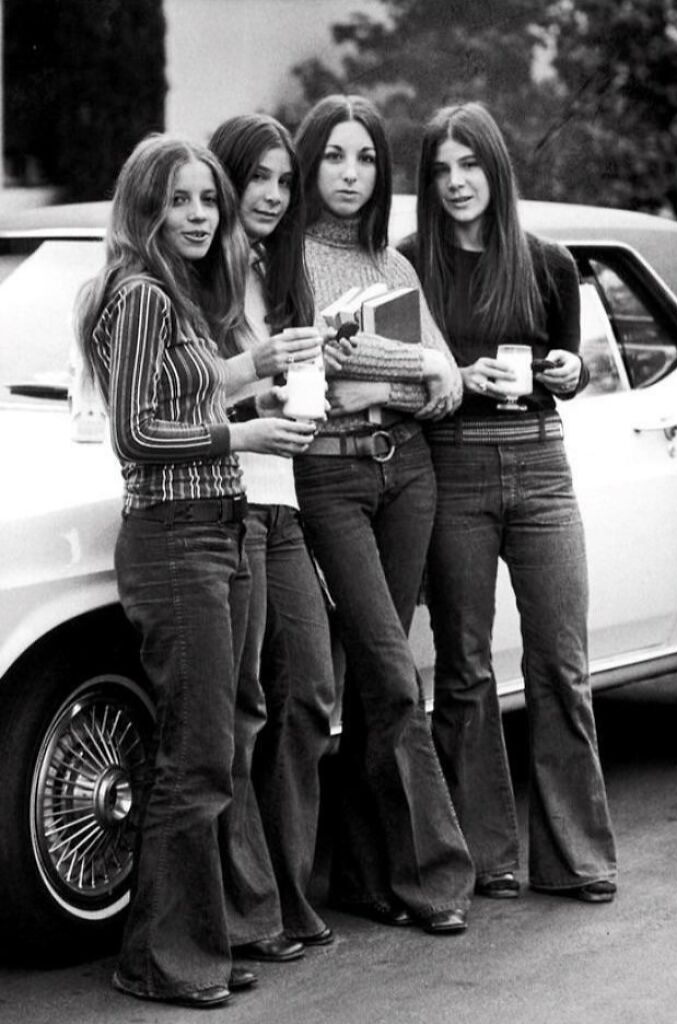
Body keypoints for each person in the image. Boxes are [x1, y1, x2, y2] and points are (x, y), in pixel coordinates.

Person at [75, 134, 318, 1008]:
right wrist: (243, 433)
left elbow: (188, 386)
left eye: (206, 201)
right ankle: (163, 960)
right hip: (177, 536)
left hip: (216, 527)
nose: (200, 216)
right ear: (145, 209)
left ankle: (190, 947)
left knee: (207, 751)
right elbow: (137, 433)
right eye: (180, 201)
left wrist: (257, 365)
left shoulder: (170, 293)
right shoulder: (139, 293)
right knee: (198, 754)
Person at [399, 102, 617, 903]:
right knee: (463, 668)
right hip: (452, 468)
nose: (457, 183)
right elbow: (398, 380)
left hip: (541, 464)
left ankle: (578, 858)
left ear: (496, 169)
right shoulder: (408, 263)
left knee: (561, 662)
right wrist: (454, 384)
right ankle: (488, 857)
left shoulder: (550, 262)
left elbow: (571, 363)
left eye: (470, 166)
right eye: (442, 171)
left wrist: (569, 372)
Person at [292, 93, 475, 934]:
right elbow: (320, 366)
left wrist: (394, 378)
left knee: (378, 688)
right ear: (310, 162)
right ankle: (436, 877)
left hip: (410, 477)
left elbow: (451, 385)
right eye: (335, 156)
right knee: (396, 674)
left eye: (365, 159)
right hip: (330, 483)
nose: (351, 174)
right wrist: (413, 368)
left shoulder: (395, 267)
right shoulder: (287, 259)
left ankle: (363, 877)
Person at [208, 113, 337, 948]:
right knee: (242, 712)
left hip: (283, 501)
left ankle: (286, 890)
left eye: (285, 181)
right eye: (258, 177)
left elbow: (304, 387)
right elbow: (176, 398)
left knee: (312, 694)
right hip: (228, 499)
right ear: (226, 181)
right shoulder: (197, 276)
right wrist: (256, 392)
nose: (273, 194)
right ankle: (248, 910)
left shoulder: (279, 275)